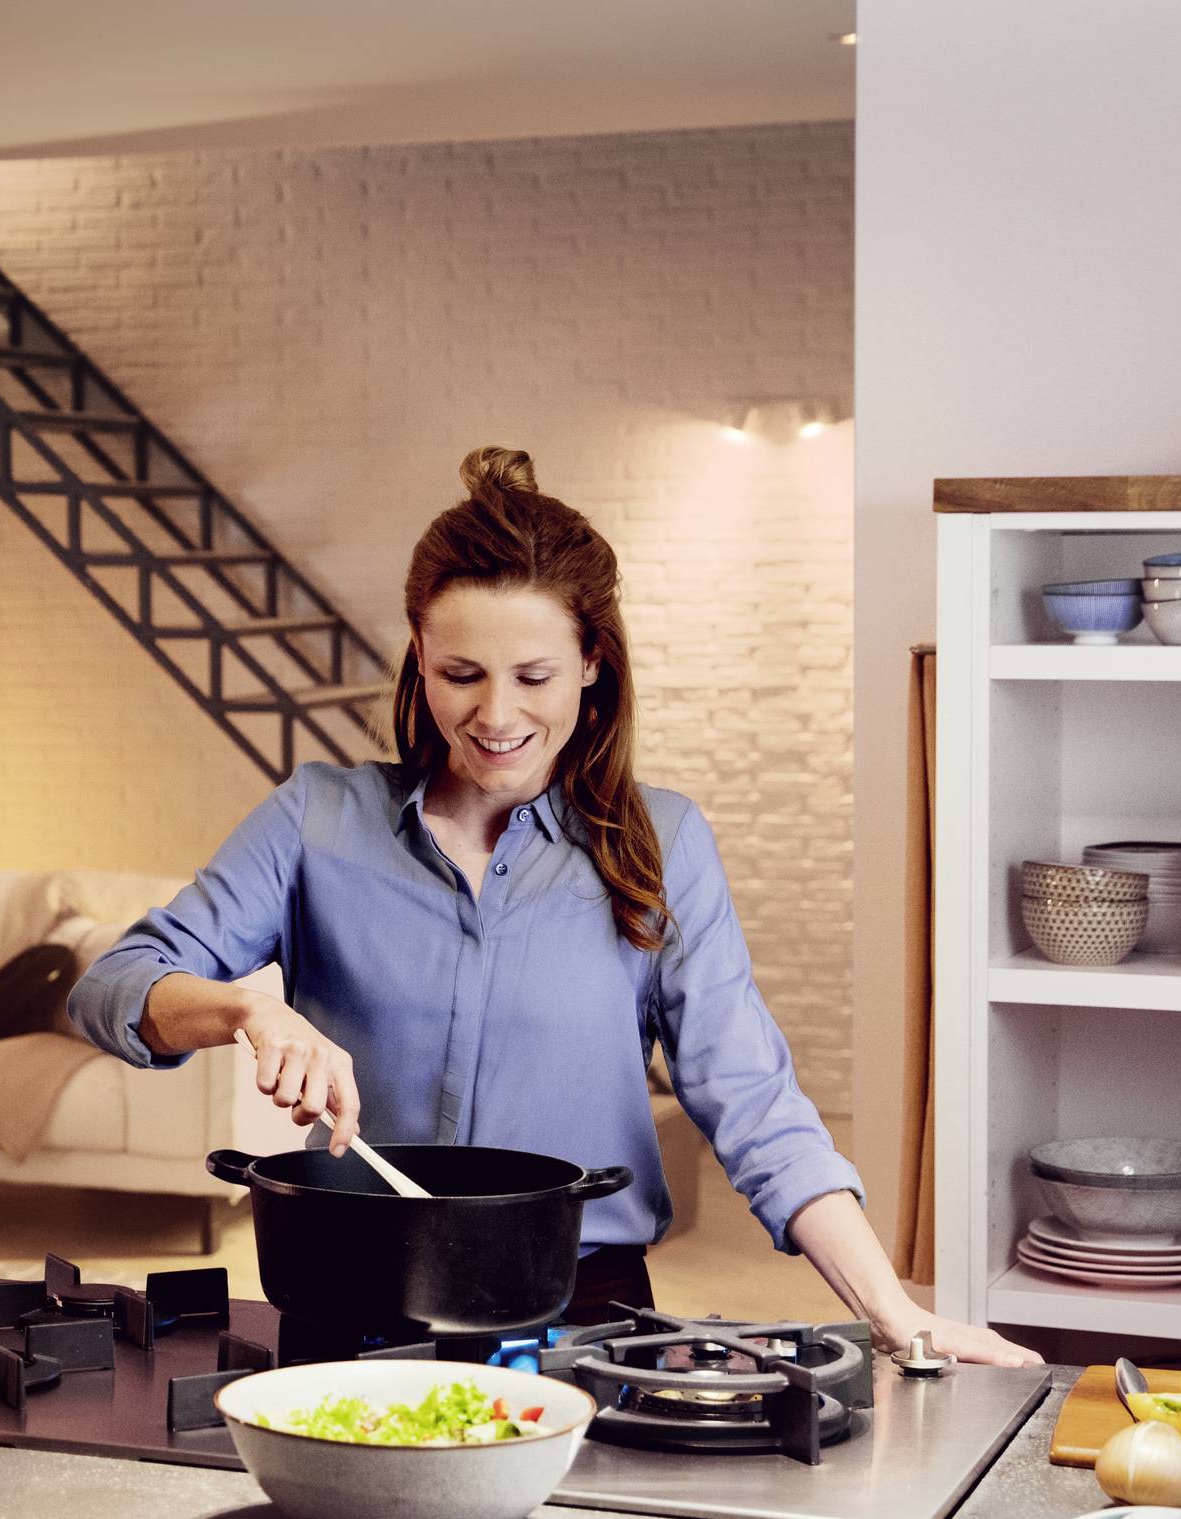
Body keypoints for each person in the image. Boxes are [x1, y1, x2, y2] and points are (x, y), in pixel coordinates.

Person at [66, 447, 1041, 1367]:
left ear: (591, 661)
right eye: (460, 674)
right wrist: (244, 1007)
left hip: (583, 1321)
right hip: (348, 1317)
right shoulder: (316, 819)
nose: (495, 715)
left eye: (532, 675)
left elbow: (752, 1100)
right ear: (418, 653)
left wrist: (893, 1309)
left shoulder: (661, 844)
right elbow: (112, 987)